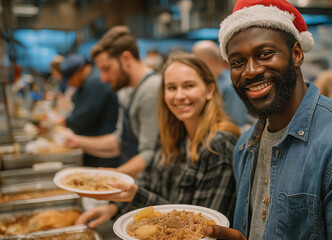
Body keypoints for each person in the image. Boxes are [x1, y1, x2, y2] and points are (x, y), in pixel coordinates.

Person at [204, 0, 332, 239]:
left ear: (297, 54)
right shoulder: (245, 146)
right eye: (238, 62)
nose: (251, 70)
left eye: (265, 54)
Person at [75, 53, 240, 229]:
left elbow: (204, 227)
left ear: (209, 90)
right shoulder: (174, 135)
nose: (179, 96)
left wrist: (136, 195)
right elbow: (148, 181)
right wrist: (114, 208)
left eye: (189, 86)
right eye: (171, 88)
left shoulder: (219, 144)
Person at [64, 26, 161, 177]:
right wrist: (76, 141)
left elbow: (149, 153)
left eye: (107, 69)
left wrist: (115, 175)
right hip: (131, 180)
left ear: (126, 59)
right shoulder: (126, 91)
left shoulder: (151, 89)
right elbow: (117, 142)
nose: (103, 78)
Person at [59, 54, 120, 168]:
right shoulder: (86, 81)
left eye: (70, 79)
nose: (69, 83)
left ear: (80, 70)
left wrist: (66, 121)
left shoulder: (94, 82)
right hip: (94, 147)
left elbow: (85, 116)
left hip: (102, 153)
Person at [193, 40, 253, 129]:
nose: (194, 66)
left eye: (197, 62)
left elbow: (235, 123)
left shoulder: (230, 85)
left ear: (211, 61)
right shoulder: (214, 82)